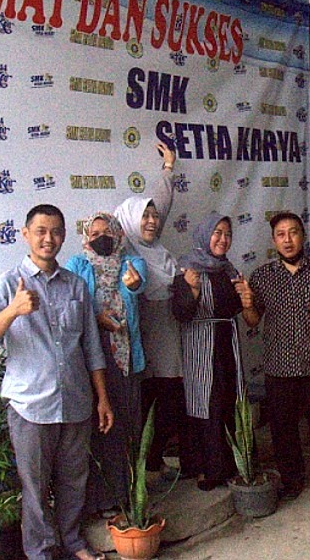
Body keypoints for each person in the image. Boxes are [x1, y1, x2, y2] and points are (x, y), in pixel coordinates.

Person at [0, 204, 112, 560]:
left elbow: (92, 347)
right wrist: (13, 310)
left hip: (76, 402)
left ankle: (74, 541)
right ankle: (40, 552)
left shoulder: (76, 285)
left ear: (64, 236)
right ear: (25, 234)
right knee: (34, 489)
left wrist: (102, 399)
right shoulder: (8, 283)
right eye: (40, 231)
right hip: (30, 406)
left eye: (55, 232)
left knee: (73, 481)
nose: (48, 239)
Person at [242, 212, 310, 497]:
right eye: (281, 234)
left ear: (302, 236)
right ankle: (292, 481)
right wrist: (247, 305)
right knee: (283, 431)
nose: (287, 239)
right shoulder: (263, 276)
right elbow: (253, 320)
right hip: (279, 367)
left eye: (293, 232)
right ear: (274, 240)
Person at [114, 143, 193, 487]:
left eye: (153, 217)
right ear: (129, 221)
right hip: (145, 342)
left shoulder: (157, 250)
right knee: (151, 404)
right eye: (143, 216)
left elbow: (162, 204)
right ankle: (145, 466)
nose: (150, 220)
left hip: (170, 336)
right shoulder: (125, 250)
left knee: (171, 400)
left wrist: (168, 168)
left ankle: (155, 460)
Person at [64, 212, 147, 517]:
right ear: (86, 236)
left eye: (107, 231)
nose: (101, 237)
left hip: (124, 356)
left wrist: (131, 285)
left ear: (117, 234)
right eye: (95, 232)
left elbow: (136, 286)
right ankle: (97, 501)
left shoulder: (131, 262)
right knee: (96, 430)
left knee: (123, 426)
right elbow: (72, 300)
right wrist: (96, 318)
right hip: (88, 357)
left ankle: (126, 496)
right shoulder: (76, 264)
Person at [172, 213, 252, 491]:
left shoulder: (229, 270)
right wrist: (192, 290)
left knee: (229, 402)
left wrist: (246, 297)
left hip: (227, 344)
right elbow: (180, 313)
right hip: (200, 345)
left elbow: (239, 309)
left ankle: (231, 465)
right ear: (205, 235)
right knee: (206, 406)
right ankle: (207, 467)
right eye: (217, 233)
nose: (222, 239)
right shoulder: (187, 268)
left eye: (227, 234)